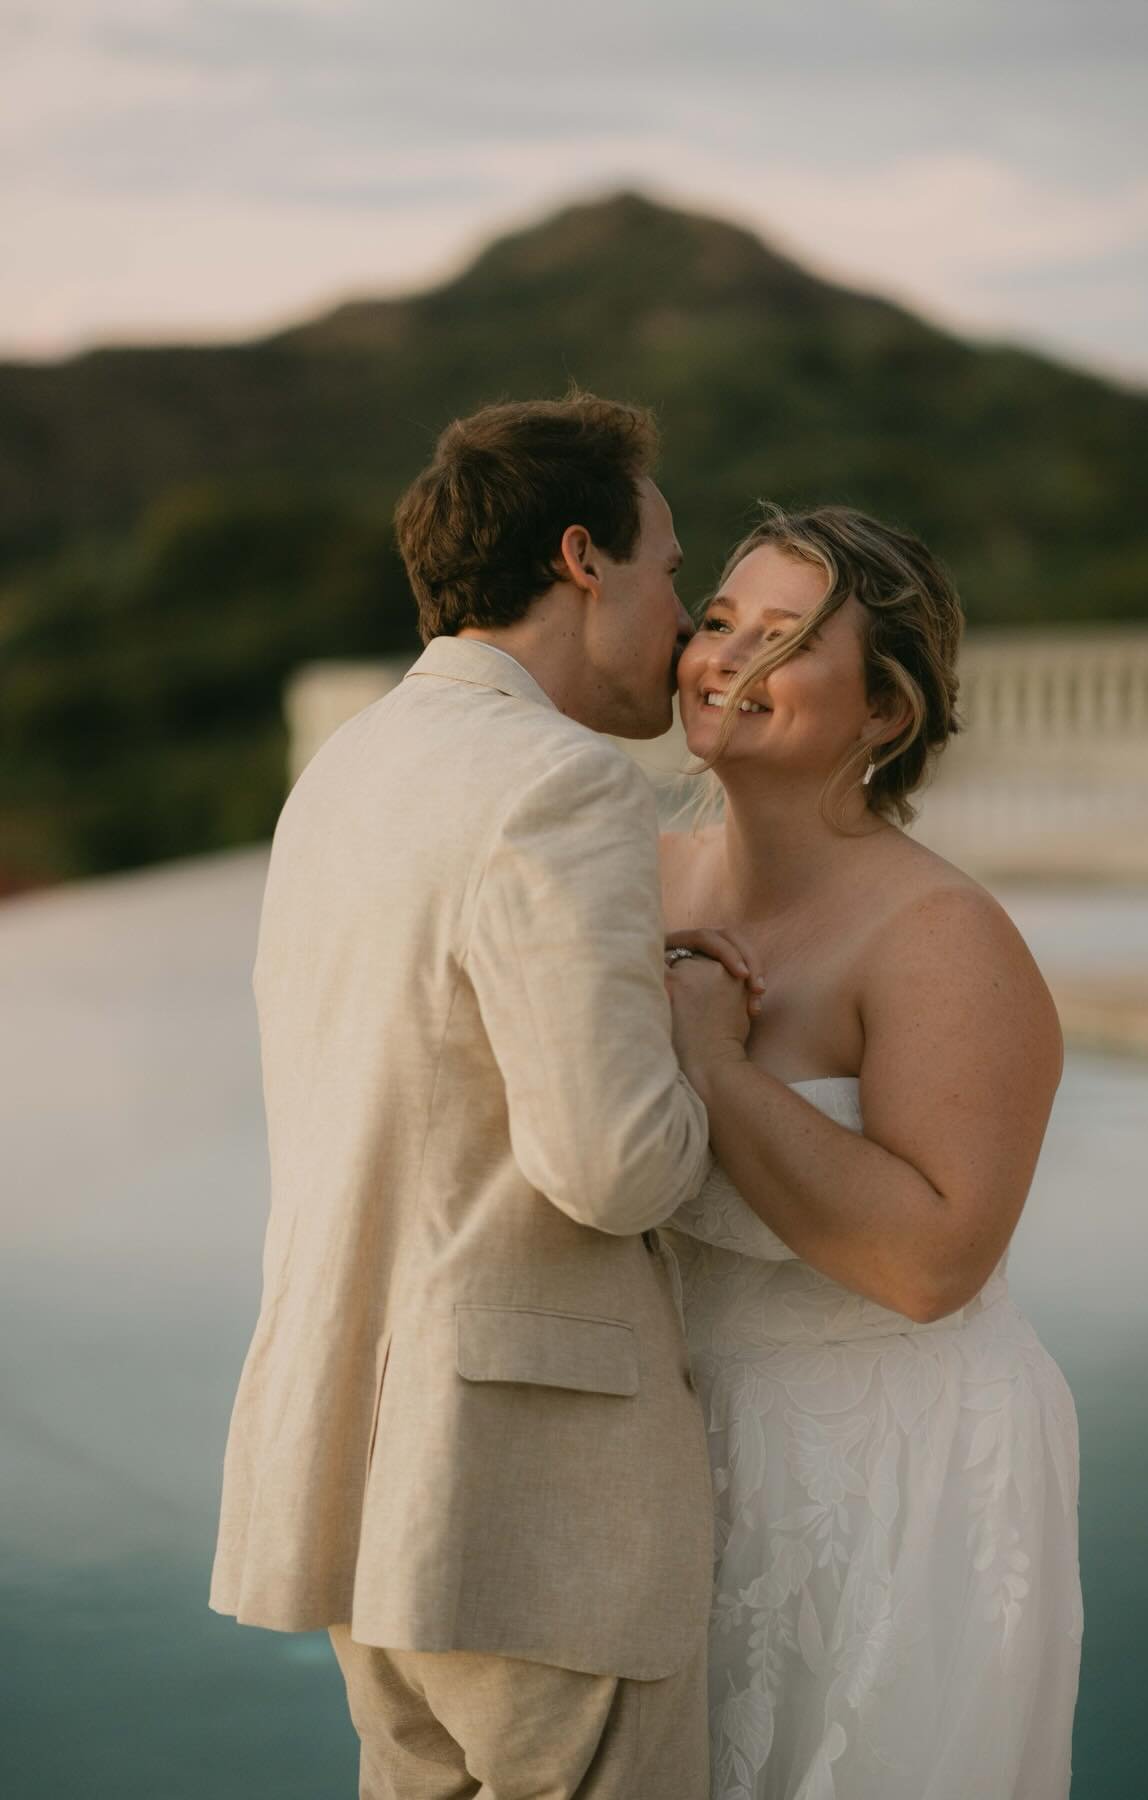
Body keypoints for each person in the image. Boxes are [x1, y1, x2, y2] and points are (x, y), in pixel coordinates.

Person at [209, 393, 756, 1800]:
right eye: (672, 569)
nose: (685, 613)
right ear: (583, 558)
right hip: (536, 1508)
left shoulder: (347, 770)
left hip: (357, 1473)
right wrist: (706, 1039)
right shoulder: (561, 783)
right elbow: (615, 1168)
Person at [659, 505, 1083, 1799]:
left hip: (895, 1470)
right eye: (718, 620)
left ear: (885, 713)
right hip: (674, 1442)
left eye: (780, 639)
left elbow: (930, 1264)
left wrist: (717, 1066)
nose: (725, 659)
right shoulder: (634, 877)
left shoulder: (939, 934)